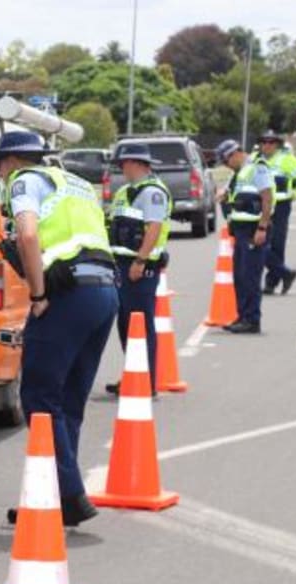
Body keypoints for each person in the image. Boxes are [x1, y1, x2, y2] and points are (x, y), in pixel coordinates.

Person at [0, 132, 118, 527]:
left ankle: (68, 497)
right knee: (68, 402)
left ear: (12, 161)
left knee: (40, 397)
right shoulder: (74, 182)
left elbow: (26, 234)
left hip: (66, 295)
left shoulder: (25, 181)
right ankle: (51, 496)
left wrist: (38, 293)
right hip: (104, 291)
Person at [103, 144, 171, 396]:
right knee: (125, 324)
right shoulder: (124, 191)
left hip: (140, 268)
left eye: (124, 163)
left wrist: (140, 261)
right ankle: (134, 374)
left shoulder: (153, 192)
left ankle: (147, 381)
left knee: (140, 324)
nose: (122, 168)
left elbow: (153, 228)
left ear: (137, 163)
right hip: (121, 265)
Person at [215, 139, 274, 334]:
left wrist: (262, 228)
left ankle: (252, 319)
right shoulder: (240, 172)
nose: (225, 165)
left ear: (235, 154)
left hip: (253, 230)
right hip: (240, 232)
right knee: (240, 276)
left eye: (225, 161)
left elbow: (267, 197)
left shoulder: (258, 167)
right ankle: (242, 316)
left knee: (250, 277)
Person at [251, 130, 296, 295]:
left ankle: (271, 283)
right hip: (260, 206)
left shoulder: (286, 160)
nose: (267, 145)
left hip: (280, 206)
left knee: (277, 244)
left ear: (277, 144)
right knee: (258, 242)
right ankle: (285, 273)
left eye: (271, 142)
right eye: (264, 142)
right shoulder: (254, 160)